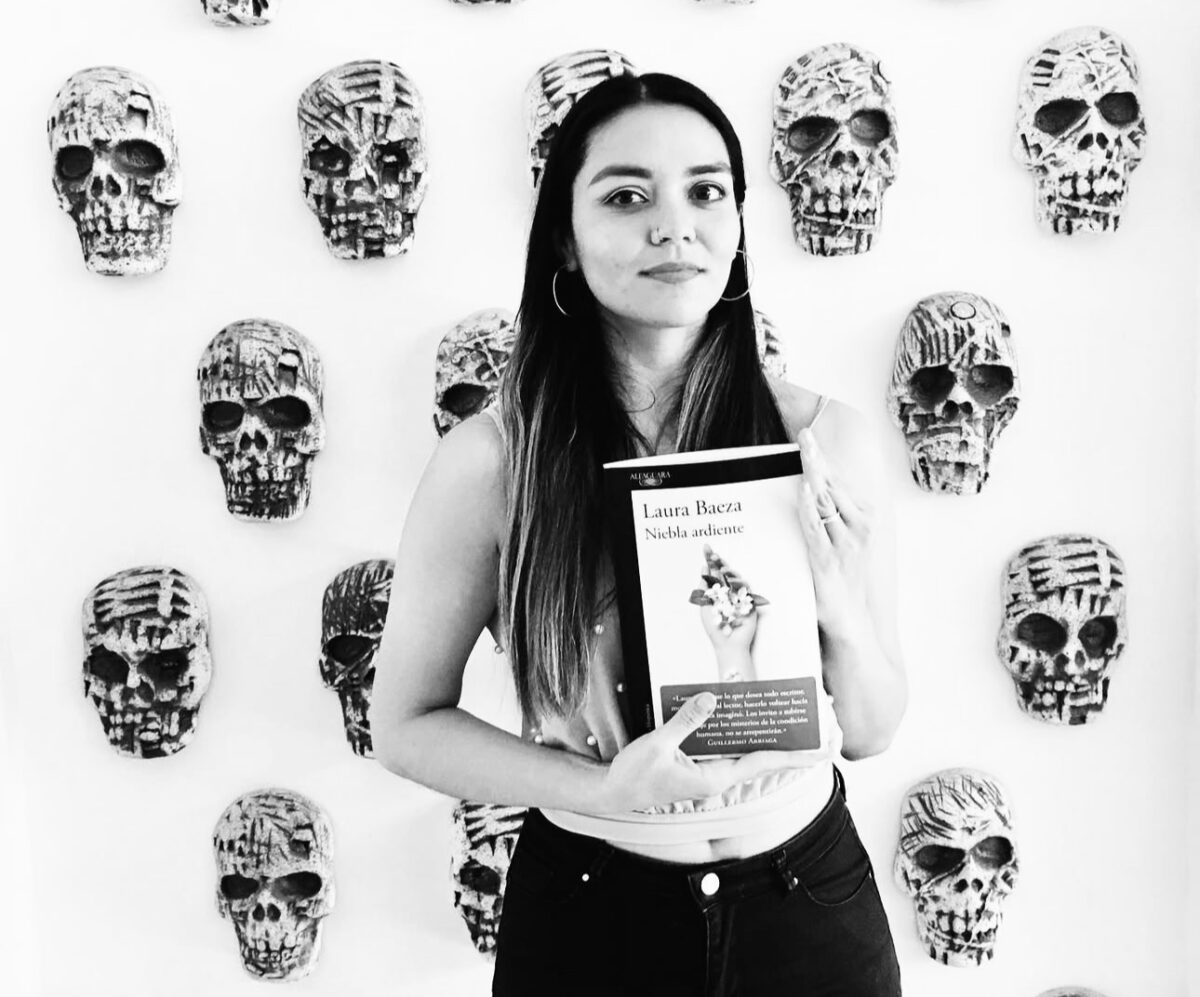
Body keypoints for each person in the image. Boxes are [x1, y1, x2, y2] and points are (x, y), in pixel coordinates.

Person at [371, 72, 906, 996]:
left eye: (706, 191)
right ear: (565, 240)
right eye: (627, 197)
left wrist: (845, 615)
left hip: (809, 908)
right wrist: (598, 789)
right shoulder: (492, 463)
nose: (675, 227)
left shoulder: (827, 443)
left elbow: (872, 730)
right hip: (592, 915)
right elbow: (404, 723)